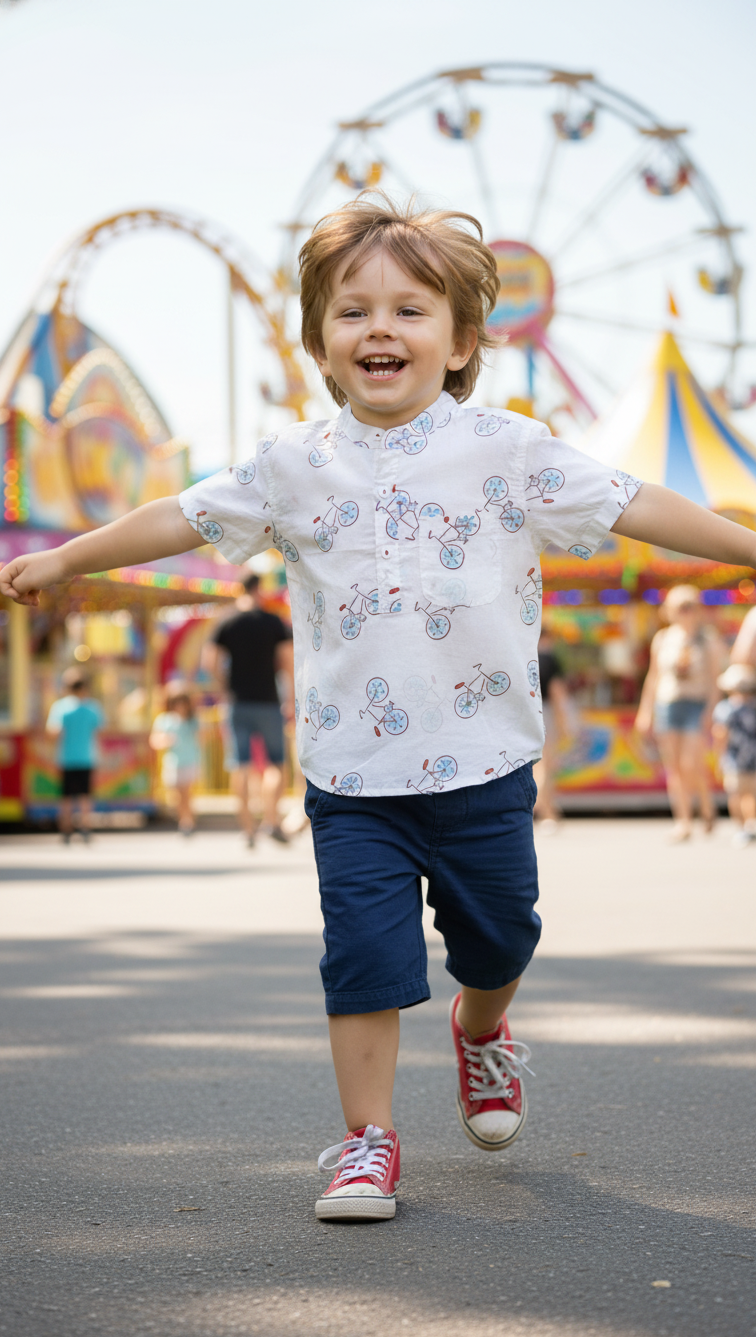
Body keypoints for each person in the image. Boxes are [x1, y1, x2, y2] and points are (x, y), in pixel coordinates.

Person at [3, 195, 756, 1225]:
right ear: (319, 341)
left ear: (459, 341)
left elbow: (636, 502)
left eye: (410, 309)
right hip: (352, 775)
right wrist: (68, 555)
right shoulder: (292, 464)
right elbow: (176, 514)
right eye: (353, 312)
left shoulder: (510, 448)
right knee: (361, 956)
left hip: (485, 765)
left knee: (501, 945)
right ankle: (368, 1142)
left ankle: (482, 1033)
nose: (381, 330)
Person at [203, 572, 294, 845]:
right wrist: (289, 697)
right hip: (268, 701)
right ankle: (271, 819)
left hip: (237, 702)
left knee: (240, 765)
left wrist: (224, 686)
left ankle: (247, 830)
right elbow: (287, 660)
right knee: (276, 764)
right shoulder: (273, 621)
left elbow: (209, 662)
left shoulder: (226, 621)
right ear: (259, 589)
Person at [635, 585, 723, 841]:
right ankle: (683, 820)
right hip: (668, 704)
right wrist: (645, 711)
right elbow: (653, 677)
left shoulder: (708, 639)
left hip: (696, 704)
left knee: (691, 763)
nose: (685, 612)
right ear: (670, 611)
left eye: (689, 606)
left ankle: (706, 804)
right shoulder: (663, 638)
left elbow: (716, 680)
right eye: (680, 607)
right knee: (673, 767)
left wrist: (711, 711)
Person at [46, 667, 104, 843]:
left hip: (66, 757)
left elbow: (53, 732)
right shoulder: (93, 707)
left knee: (66, 795)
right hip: (87, 756)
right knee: (85, 794)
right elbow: (99, 730)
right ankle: (86, 827)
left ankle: (66, 828)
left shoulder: (61, 707)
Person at [711, 663, 756, 847]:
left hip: (734, 758)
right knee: (750, 795)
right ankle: (750, 824)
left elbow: (720, 734)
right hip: (753, 757)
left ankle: (742, 827)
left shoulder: (724, 709)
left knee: (736, 795)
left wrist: (718, 756)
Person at [149, 681, 202, 836]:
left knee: (187, 793)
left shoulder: (192, 720)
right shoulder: (164, 720)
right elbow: (155, 740)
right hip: (173, 762)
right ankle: (184, 819)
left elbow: (202, 737)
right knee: (177, 795)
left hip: (190, 761)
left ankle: (187, 822)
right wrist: (166, 740)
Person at [533, 628, 571, 833]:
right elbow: (557, 693)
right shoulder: (550, 659)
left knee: (535, 766)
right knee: (546, 765)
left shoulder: (524, 655)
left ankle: (548, 810)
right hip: (545, 713)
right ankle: (543, 810)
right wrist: (563, 723)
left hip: (527, 713)